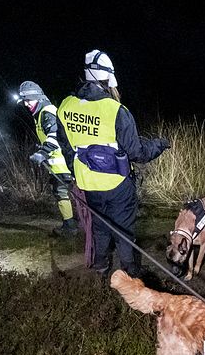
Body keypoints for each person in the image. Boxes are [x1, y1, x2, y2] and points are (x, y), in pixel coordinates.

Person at [56, 50, 170, 278]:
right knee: (123, 228)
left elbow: (66, 147)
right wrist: (159, 144)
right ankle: (130, 272)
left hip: (88, 184)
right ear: (108, 79)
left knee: (99, 226)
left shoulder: (65, 106)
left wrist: (77, 174)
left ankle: (101, 267)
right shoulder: (117, 110)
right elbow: (138, 153)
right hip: (117, 184)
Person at [17, 81, 79, 236]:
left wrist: (43, 153)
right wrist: (42, 148)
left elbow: (55, 136)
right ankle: (74, 224)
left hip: (64, 164)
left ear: (37, 97)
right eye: (24, 101)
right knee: (66, 193)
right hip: (60, 165)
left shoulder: (47, 112)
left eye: (28, 100)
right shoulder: (41, 113)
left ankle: (71, 227)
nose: (26, 104)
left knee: (63, 193)